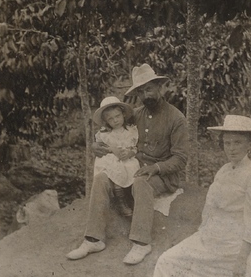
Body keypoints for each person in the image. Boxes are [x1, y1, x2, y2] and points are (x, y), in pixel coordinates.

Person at [137, 115, 251, 277]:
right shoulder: (225, 170)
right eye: (228, 142)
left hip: (235, 247)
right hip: (211, 238)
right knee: (168, 261)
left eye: (238, 142)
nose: (232, 148)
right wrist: (203, 232)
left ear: (249, 144)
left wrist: (241, 259)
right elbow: (211, 207)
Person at [67, 64, 189, 265]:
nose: (145, 94)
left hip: (162, 175)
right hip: (132, 167)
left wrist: (155, 168)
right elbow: (112, 131)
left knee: (141, 182)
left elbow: (181, 158)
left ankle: (141, 242)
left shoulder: (176, 118)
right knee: (101, 178)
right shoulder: (136, 115)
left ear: (160, 87)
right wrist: (97, 146)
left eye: (149, 88)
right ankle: (93, 239)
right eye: (141, 91)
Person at [91, 96, 139, 217]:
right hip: (112, 158)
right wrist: (112, 150)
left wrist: (129, 153)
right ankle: (120, 201)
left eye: (117, 116)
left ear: (123, 114)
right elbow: (100, 147)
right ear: (106, 121)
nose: (115, 120)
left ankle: (130, 198)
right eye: (111, 119)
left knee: (133, 166)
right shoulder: (105, 134)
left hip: (127, 157)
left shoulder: (131, 130)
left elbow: (134, 147)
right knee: (116, 167)